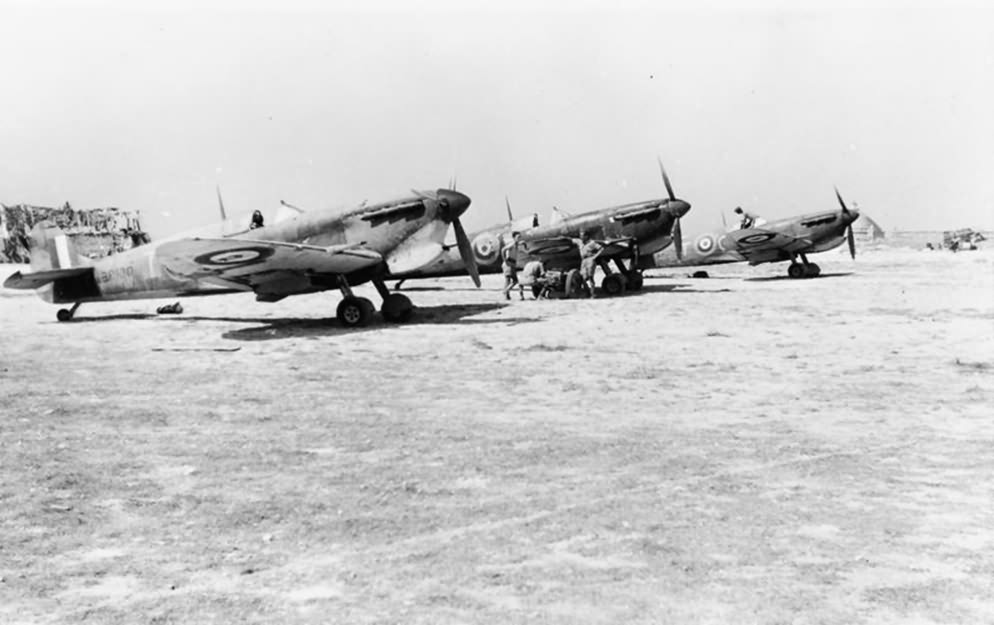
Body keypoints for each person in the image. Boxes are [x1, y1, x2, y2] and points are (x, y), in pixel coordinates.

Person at [576, 230, 603, 298]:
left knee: (590, 277)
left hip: (590, 260)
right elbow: (571, 240)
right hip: (583, 261)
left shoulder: (592, 243)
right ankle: (587, 291)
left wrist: (594, 257)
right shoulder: (580, 242)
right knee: (582, 277)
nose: (581, 237)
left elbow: (601, 249)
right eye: (580, 236)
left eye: (582, 236)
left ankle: (592, 293)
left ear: (586, 236)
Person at [501, 231, 525, 301]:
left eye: (520, 237)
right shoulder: (512, 244)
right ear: (514, 238)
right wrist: (504, 260)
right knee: (513, 280)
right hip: (509, 263)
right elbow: (503, 250)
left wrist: (522, 243)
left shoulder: (516, 244)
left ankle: (507, 295)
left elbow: (519, 243)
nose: (519, 238)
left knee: (509, 280)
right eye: (518, 237)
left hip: (511, 263)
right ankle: (505, 292)